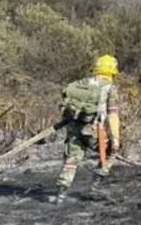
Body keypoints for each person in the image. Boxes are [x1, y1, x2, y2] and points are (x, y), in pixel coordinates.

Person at [51, 55, 122, 204]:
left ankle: (60, 195)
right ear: (112, 72)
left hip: (74, 127)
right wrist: (115, 139)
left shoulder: (81, 83)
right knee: (110, 153)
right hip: (95, 130)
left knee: (71, 159)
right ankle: (95, 187)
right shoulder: (110, 88)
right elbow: (113, 114)